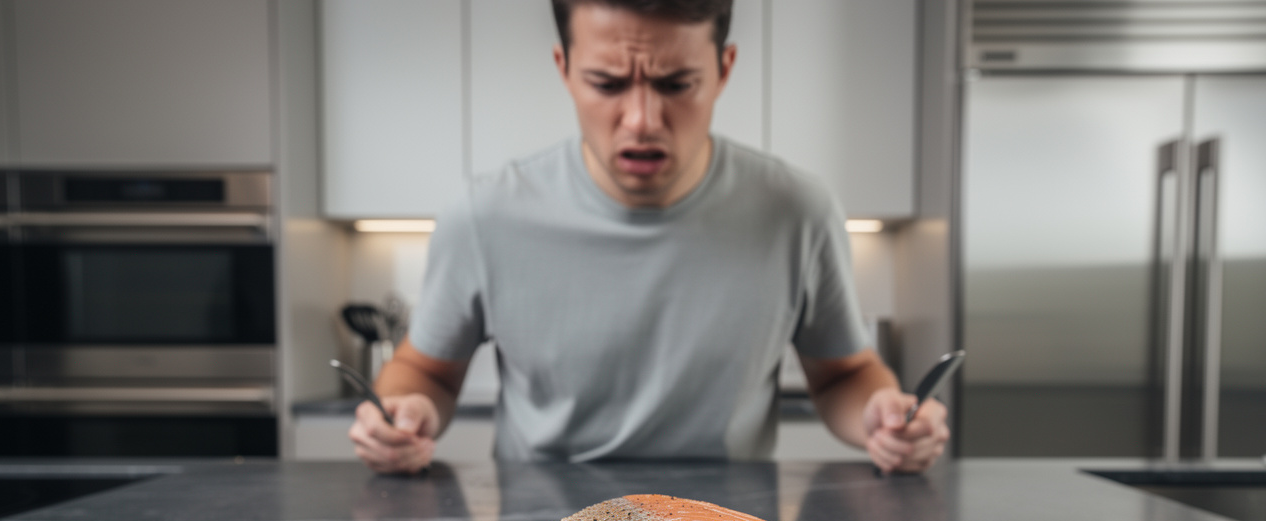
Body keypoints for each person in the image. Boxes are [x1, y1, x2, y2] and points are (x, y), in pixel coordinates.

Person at [350, 0, 950, 474]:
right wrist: (406, 412)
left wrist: (880, 414)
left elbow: (844, 374)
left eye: (675, 83)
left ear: (723, 70)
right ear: (564, 69)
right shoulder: (483, 216)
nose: (641, 119)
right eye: (608, 83)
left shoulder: (799, 211)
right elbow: (424, 372)